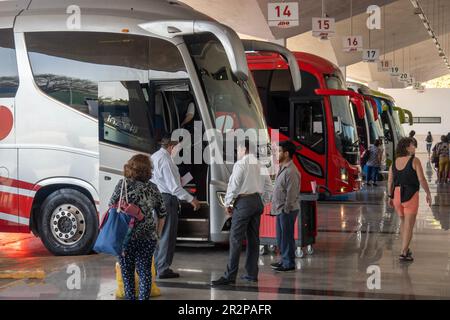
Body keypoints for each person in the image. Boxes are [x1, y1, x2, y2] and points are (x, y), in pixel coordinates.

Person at [212, 139, 273, 286]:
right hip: (256, 202)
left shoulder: (241, 164)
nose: (237, 152)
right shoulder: (260, 164)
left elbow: (234, 184)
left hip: (244, 202)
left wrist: (228, 202)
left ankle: (229, 276)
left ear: (244, 149)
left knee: (235, 239)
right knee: (253, 240)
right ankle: (251, 274)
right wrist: (261, 201)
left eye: (238, 149)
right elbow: (269, 187)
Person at [109, 154, 167, 300]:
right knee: (145, 272)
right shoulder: (153, 188)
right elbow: (162, 213)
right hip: (147, 237)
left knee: (127, 273)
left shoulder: (122, 184)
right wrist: (157, 235)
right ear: (148, 170)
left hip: (124, 237)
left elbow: (111, 205)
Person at [151, 135, 201, 279]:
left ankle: (155, 266)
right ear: (171, 147)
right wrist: (192, 199)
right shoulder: (166, 161)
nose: (178, 151)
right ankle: (163, 268)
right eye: (178, 148)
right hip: (167, 200)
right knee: (167, 234)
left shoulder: (154, 156)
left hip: (156, 198)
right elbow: (174, 188)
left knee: (157, 234)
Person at [388, 137, 431, 262]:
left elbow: (390, 181)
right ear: (407, 147)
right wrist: (428, 193)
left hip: (396, 195)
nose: (415, 147)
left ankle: (405, 248)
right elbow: (422, 179)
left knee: (403, 222)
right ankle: (404, 252)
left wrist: (390, 197)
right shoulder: (414, 160)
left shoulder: (394, 162)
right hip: (410, 195)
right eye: (413, 145)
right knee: (409, 225)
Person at [270, 140, 301, 272]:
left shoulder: (291, 171)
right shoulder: (283, 168)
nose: (277, 154)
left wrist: (286, 209)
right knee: (281, 237)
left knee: (287, 237)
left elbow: (292, 193)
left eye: (280, 151)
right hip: (280, 209)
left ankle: (289, 263)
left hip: (287, 210)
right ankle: (284, 260)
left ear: (286, 153)